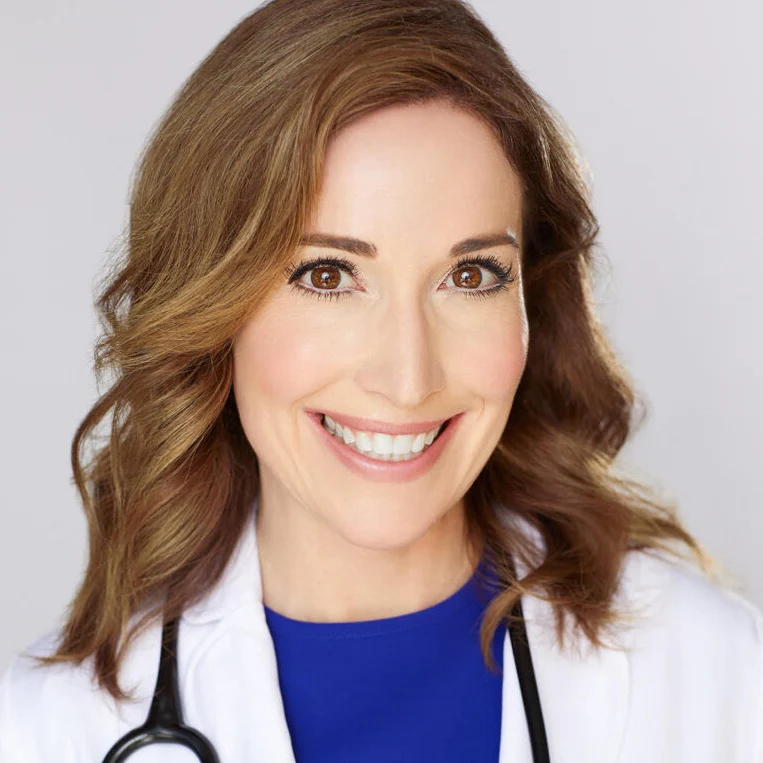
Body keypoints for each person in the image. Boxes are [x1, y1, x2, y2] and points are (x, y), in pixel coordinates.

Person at [1, 0, 761, 761]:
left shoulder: (711, 672)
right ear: (212, 307)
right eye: (328, 275)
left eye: (471, 275)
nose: (407, 380)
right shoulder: (49, 731)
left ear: (532, 296)